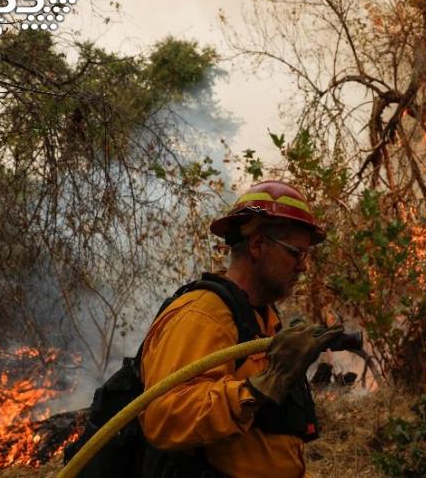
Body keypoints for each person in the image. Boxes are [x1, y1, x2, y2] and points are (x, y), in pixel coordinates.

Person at [138, 180, 342, 478]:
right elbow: (166, 417)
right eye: (296, 253)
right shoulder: (204, 313)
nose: (303, 267)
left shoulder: (262, 319)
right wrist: (262, 386)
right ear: (258, 245)